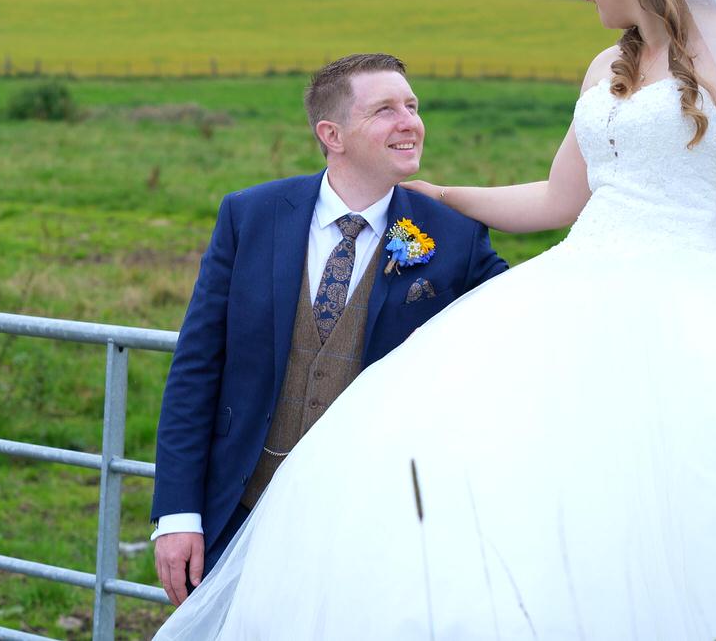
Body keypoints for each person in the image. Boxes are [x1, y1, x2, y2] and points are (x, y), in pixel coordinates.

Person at [154, 0, 716, 639]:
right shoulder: (607, 68)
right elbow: (559, 199)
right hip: (568, 291)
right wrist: (444, 195)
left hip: (684, 307)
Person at [151, 53, 509, 606]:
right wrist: (177, 514)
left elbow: (520, 319)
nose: (410, 122)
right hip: (238, 513)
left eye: (412, 106)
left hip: (372, 530)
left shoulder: (455, 236)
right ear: (332, 135)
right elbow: (196, 369)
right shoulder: (249, 215)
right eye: (385, 110)